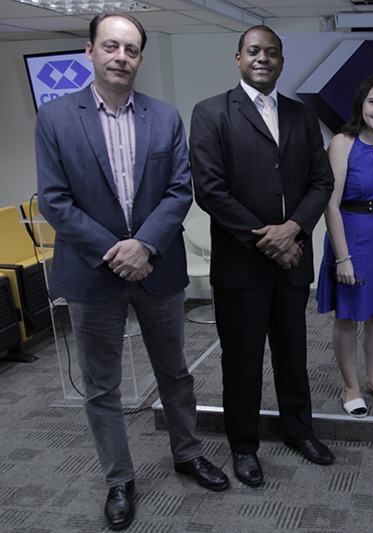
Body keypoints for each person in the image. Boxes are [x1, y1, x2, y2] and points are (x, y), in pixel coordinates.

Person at [35, 13, 228, 530]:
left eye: (131, 49)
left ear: (140, 57)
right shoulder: (55, 118)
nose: (121, 57)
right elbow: (55, 201)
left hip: (156, 269)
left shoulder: (164, 117)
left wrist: (143, 245)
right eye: (110, 46)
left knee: (175, 372)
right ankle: (119, 479)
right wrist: (116, 251)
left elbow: (180, 190)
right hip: (92, 274)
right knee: (103, 386)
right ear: (90, 51)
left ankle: (187, 454)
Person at [189, 25, 335, 486]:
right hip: (241, 266)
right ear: (238, 58)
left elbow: (322, 182)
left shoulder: (302, 115)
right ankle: (243, 446)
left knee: (293, 355)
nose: (263, 58)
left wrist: (293, 230)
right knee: (242, 362)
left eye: (272, 52)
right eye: (254, 51)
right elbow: (210, 190)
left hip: (293, 261)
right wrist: (269, 241)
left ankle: (298, 430)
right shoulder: (211, 113)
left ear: (281, 62)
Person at [316, 75, 373, 417]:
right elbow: (330, 204)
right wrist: (343, 258)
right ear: (361, 105)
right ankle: (350, 386)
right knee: (348, 315)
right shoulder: (343, 142)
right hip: (351, 235)